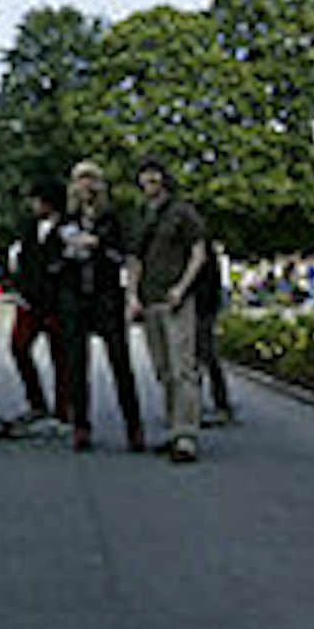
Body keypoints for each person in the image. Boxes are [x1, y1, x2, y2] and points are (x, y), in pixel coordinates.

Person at [59, 161, 144, 454]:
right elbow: (52, 259)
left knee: (120, 363)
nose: (85, 185)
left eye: (90, 179)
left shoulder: (112, 218)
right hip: (74, 297)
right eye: (80, 179)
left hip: (106, 296)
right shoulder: (66, 219)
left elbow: (125, 255)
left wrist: (98, 244)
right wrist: (66, 253)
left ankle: (134, 427)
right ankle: (80, 427)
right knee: (76, 366)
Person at [125, 158, 206, 463]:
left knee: (183, 368)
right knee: (163, 369)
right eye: (145, 179)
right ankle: (174, 429)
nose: (150, 184)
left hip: (176, 299)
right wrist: (132, 296)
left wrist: (182, 288)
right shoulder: (141, 215)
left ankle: (186, 434)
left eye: (155, 178)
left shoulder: (182, 212)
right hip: (150, 299)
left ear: (164, 180)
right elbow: (134, 259)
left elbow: (198, 253)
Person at [8, 179, 72, 425]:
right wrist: (20, 290)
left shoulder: (68, 227)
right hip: (30, 301)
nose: (33, 205)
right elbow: (22, 260)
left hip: (57, 303)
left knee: (61, 358)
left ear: (48, 202)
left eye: (36, 200)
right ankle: (36, 402)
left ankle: (63, 410)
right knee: (18, 346)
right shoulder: (29, 227)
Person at [195, 236, 234, 424]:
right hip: (202, 305)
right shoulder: (203, 247)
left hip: (202, 306)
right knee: (200, 357)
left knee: (206, 355)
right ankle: (207, 404)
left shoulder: (203, 248)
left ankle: (219, 404)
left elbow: (211, 280)